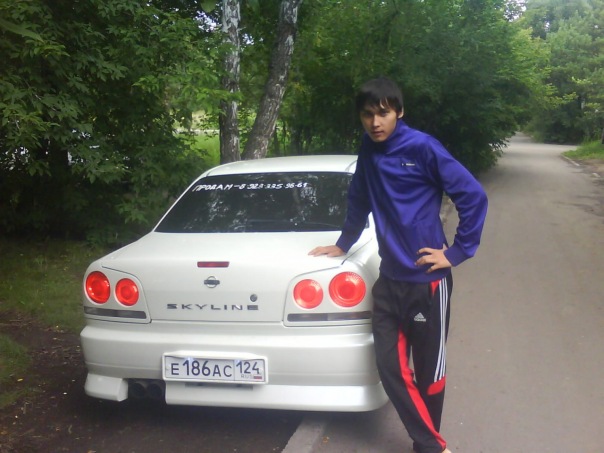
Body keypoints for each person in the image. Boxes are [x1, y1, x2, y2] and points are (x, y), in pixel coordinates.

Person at [309, 77, 488, 453]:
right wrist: (343, 243)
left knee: (429, 373)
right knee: (390, 367)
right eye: (368, 115)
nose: (375, 122)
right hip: (389, 279)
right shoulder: (368, 148)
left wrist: (455, 253)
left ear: (399, 112)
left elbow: (473, 196)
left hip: (428, 282)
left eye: (384, 113)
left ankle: (425, 447)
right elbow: (359, 196)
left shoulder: (423, 147)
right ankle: (433, 444)